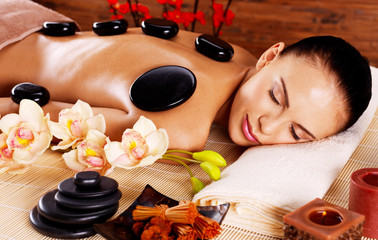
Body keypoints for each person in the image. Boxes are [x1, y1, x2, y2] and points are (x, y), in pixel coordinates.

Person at [0, 4, 372, 152]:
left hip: (28, 16)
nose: (267, 125)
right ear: (269, 56)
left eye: (296, 133)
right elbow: (27, 117)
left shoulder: (237, 58)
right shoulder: (181, 128)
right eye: (276, 97)